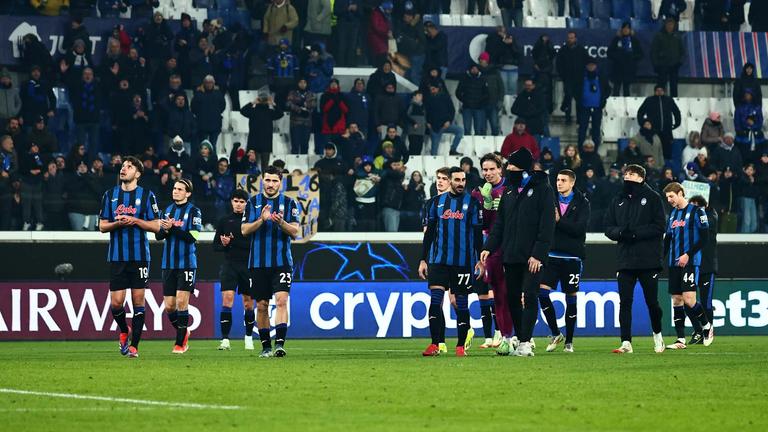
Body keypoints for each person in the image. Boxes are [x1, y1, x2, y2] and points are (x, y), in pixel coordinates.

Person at [481, 148, 556, 356]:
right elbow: (500, 224)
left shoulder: (543, 189)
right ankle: (522, 339)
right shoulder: (510, 190)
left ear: (522, 167)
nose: (509, 169)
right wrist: (489, 247)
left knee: (530, 296)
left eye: (511, 166)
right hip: (511, 254)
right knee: (512, 297)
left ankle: (525, 343)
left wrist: (539, 254)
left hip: (532, 256)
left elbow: (547, 225)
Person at [98, 156, 160, 358]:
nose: (124, 169)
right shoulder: (110, 195)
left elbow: (156, 226)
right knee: (116, 303)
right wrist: (118, 224)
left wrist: (134, 220)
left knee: (138, 300)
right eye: (123, 166)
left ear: (138, 174)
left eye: (129, 166)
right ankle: (124, 330)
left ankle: (134, 346)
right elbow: (102, 226)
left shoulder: (147, 195)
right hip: (117, 256)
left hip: (140, 256)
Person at [419, 167, 483, 357]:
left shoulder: (472, 204)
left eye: (463, 180)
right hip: (438, 261)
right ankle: (435, 343)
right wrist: (423, 259)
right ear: (450, 182)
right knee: (436, 300)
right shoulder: (435, 203)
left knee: (461, 304)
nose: (461, 183)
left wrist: (480, 259)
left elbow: (478, 234)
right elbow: (429, 234)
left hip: (463, 263)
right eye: (457, 180)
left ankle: (460, 346)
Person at [604, 164, 666, 354]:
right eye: (626, 174)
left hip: (648, 260)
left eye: (631, 174)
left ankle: (657, 335)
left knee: (652, 303)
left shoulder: (653, 198)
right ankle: (626, 342)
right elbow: (608, 227)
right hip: (625, 260)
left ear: (641, 178)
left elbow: (659, 227)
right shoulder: (618, 200)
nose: (627, 177)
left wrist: (635, 234)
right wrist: (622, 232)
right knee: (625, 302)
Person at [241, 166, 300, 358]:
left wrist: (280, 222)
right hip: (258, 263)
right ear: (262, 181)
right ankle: (266, 346)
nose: (271, 184)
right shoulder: (252, 202)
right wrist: (261, 220)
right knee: (262, 305)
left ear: (280, 183)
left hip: (282, 262)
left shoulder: (289, 203)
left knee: (282, 301)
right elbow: (244, 230)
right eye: (267, 180)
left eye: (275, 181)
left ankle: (280, 345)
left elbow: (295, 231)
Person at [538, 169, 589, 353]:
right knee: (541, 293)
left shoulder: (583, 203)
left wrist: (559, 221)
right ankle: (555, 332)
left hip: (572, 258)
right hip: (551, 256)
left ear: (572, 183)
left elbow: (579, 229)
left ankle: (569, 342)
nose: (559, 183)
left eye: (563, 180)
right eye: (558, 180)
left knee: (571, 298)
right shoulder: (550, 200)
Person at [662, 182, 715, 350]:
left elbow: (704, 238)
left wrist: (688, 254)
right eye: (667, 197)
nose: (669, 200)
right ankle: (680, 340)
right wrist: (660, 259)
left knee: (689, 299)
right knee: (676, 300)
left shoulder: (697, 212)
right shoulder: (672, 215)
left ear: (680, 193)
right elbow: (668, 239)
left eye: (671, 196)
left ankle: (707, 327)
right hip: (674, 263)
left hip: (691, 262)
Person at [156, 179, 202, 354]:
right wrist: (166, 229)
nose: (175, 191)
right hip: (168, 264)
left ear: (188, 193)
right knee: (169, 306)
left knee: (182, 302)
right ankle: (184, 331)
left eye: (180, 189)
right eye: (174, 188)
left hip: (187, 264)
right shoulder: (166, 211)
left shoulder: (194, 211)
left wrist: (172, 228)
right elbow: (159, 236)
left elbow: (193, 236)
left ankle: (180, 343)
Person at [470, 154, 511, 350]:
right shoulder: (477, 194)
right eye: (484, 170)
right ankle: (502, 334)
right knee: (495, 293)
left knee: (509, 293)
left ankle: (517, 335)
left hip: (509, 247)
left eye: (491, 169)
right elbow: (481, 224)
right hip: (489, 250)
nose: (487, 173)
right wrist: (485, 203)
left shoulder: (509, 190)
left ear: (500, 170)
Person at [688, 195, 718, 326]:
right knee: (688, 302)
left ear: (704, 206)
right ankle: (698, 330)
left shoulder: (711, 216)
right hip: (693, 265)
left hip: (707, 266)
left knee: (706, 303)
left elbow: (706, 223)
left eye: (697, 205)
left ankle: (708, 331)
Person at [240, 92, 284, 171]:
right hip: (255, 142)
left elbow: (281, 114)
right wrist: (253, 102)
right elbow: (242, 111)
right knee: (253, 165)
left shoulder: (269, 112)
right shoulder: (253, 111)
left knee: (265, 167)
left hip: (265, 143)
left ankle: (265, 182)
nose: (263, 100)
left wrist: (273, 103)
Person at [637, 85, 681, 160]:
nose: (659, 92)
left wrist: (677, 123)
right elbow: (640, 113)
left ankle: (667, 170)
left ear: (664, 91)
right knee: (654, 153)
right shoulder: (649, 100)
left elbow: (676, 112)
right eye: (658, 90)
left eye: (661, 90)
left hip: (667, 132)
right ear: (655, 91)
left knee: (667, 154)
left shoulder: (669, 100)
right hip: (653, 132)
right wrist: (643, 123)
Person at [576, 59, 610, 151]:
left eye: (593, 65)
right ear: (586, 66)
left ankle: (595, 150)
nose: (591, 67)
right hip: (584, 107)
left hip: (597, 108)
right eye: (589, 65)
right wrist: (579, 100)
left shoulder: (601, 76)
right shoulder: (581, 76)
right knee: (582, 129)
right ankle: (580, 150)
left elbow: (607, 89)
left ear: (596, 66)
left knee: (596, 130)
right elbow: (576, 90)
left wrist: (603, 100)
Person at [556, 31, 588, 125]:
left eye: (572, 37)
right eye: (569, 37)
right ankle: (567, 118)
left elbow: (586, 62)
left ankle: (579, 119)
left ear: (575, 39)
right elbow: (559, 64)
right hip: (568, 79)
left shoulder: (581, 50)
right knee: (568, 97)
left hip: (579, 79)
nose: (570, 39)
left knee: (579, 100)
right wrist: (563, 75)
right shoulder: (563, 50)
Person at [425, 84, 463, 156]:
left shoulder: (445, 97)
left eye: (433, 89)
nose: (432, 91)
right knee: (434, 152)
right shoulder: (428, 99)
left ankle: (453, 149)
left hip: (446, 124)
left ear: (437, 88)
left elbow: (452, 110)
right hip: (434, 127)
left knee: (460, 131)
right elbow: (426, 112)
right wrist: (428, 122)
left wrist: (449, 121)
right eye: (430, 89)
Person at [607, 22, 643, 97]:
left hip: (629, 69)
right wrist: (618, 57)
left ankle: (627, 107)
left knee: (626, 90)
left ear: (630, 30)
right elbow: (609, 53)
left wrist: (632, 58)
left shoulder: (634, 40)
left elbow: (640, 54)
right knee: (616, 89)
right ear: (621, 29)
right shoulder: (616, 40)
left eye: (628, 28)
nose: (626, 30)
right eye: (624, 28)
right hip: (618, 69)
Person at [651, 18, 685, 97]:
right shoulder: (659, 36)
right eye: (668, 24)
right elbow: (653, 52)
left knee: (674, 87)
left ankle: (674, 102)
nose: (670, 26)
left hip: (674, 66)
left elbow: (682, 51)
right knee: (661, 86)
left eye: (671, 24)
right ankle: (660, 102)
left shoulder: (677, 37)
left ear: (674, 25)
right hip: (662, 66)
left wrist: (679, 62)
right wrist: (656, 64)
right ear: (665, 25)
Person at [191, 75, 226, 150]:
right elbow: (193, 108)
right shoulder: (198, 94)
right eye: (207, 82)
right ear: (204, 83)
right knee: (203, 147)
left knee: (213, 146)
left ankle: (213, 161)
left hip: (215, 125)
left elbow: (222, 106)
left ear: (214, 83)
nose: (209, 84)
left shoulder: (218, 94)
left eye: (210, 82)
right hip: (202, 126)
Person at [456, 64, 489, 136]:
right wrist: (464, 100)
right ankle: (468, 146)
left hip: (478, 108)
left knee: (478, 130)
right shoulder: (464, 79)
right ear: (470, 70)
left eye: (476, 69)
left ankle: (478, 146)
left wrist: (480, 101)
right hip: (467, 107)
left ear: (478, 70)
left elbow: (486, 94)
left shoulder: (482, 79)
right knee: (467, 129)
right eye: (473, 69)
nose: (474, 70)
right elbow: (458, 92)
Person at [286, 78, 317, 154]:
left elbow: (313, 105)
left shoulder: (310, 93)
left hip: (307, 123)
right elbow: (288, 104)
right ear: (297, 83)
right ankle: (293, 164)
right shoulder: (292, 93)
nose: (302, 84)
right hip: (295, 123)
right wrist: (300, 110)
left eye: (304, 82)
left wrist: (304, 106)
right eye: (301, 82)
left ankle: (304, 164)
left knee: (305, 145)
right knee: (295, 145)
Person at [734, 90, 766, 163]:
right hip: (743, 136)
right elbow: (737, 121)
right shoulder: (739, 108)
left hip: (756, 135)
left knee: (757, 155)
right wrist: (741, 129)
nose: (747, 96)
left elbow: (760, 120)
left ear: (752, 95)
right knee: (743, 155)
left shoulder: (757, 107)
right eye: (746, 94)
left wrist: (754, 126)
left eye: (749, 94)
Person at [368, 1, 394, 67]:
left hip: (383, 42)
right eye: (389, 9)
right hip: (378, 41)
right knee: (380, 60)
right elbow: (377, 27)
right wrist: (387, 32)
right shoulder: (376, 13)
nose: (390, 11)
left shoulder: (386, 14)